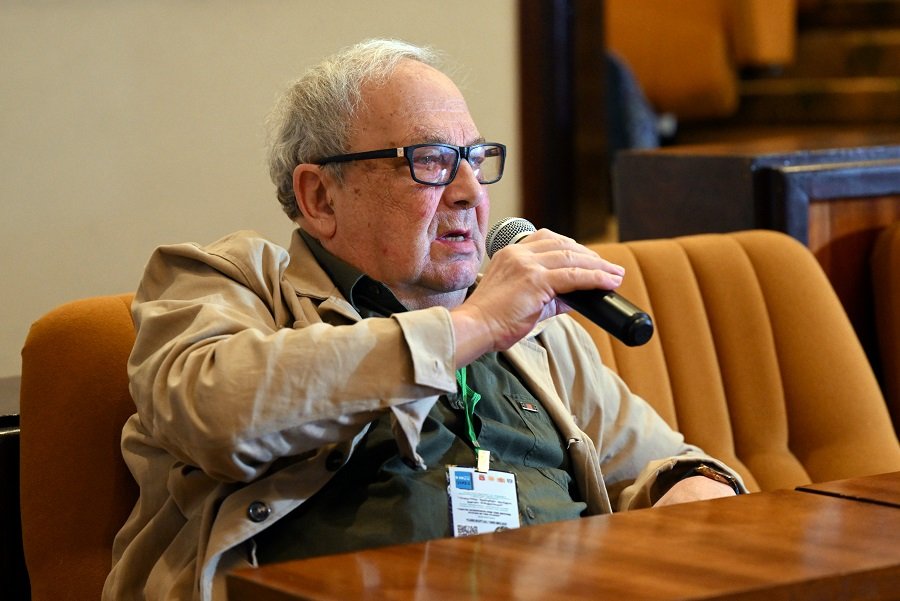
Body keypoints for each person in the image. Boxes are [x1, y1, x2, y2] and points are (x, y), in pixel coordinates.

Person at [102, 38, 745, 601]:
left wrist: (693, 490)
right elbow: (217, 412)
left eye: (476, 159)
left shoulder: (537, 333)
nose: (471, 192)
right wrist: (473, 326)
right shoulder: (228, 284)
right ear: (319, 196)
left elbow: (664, 464)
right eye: (432, 161)